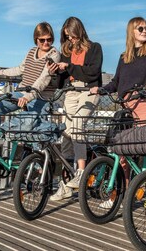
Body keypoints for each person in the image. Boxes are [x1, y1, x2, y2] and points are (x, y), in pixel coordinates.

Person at [90, 16, 146, 207]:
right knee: (121, 153)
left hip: (144, 103)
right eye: (140, 28)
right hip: (125, 107)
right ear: (132, 32)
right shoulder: (124, 57)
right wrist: (102, 89)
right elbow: (116, 82)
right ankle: (119, 197)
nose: (145, 31)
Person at [49, 17, 103, 201]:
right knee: (66, 134)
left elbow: (93, 73)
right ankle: (65, 184)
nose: (70, 40)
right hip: (71, 92)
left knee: (77, 126)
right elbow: (61, 81)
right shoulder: (66, 51)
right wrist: (56, 71)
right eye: (67, 37)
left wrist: (70, 67)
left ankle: (81, 173)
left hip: (89, 90)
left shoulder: (95, 48)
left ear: (79, 31)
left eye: (72, 36)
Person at [0, 22, 60, 138]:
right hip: (21, 92)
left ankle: (37, 155)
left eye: (49, 39)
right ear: (36, 39)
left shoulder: (54, 55)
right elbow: (21, 69)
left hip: (39, 98)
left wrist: (28, 97)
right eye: (42, 40)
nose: (46, 43)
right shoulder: (31, 51)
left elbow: (43, 79)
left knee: (29, 130)